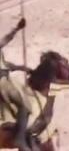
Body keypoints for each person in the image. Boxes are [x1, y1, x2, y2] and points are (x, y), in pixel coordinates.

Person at [0, 18, 34, 151]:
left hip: (5, 78)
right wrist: (17, 29)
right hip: (1, 82)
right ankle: (19, 139)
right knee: (25, 105)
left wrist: (22, 68)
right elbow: (6, 39)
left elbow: (5, 64)